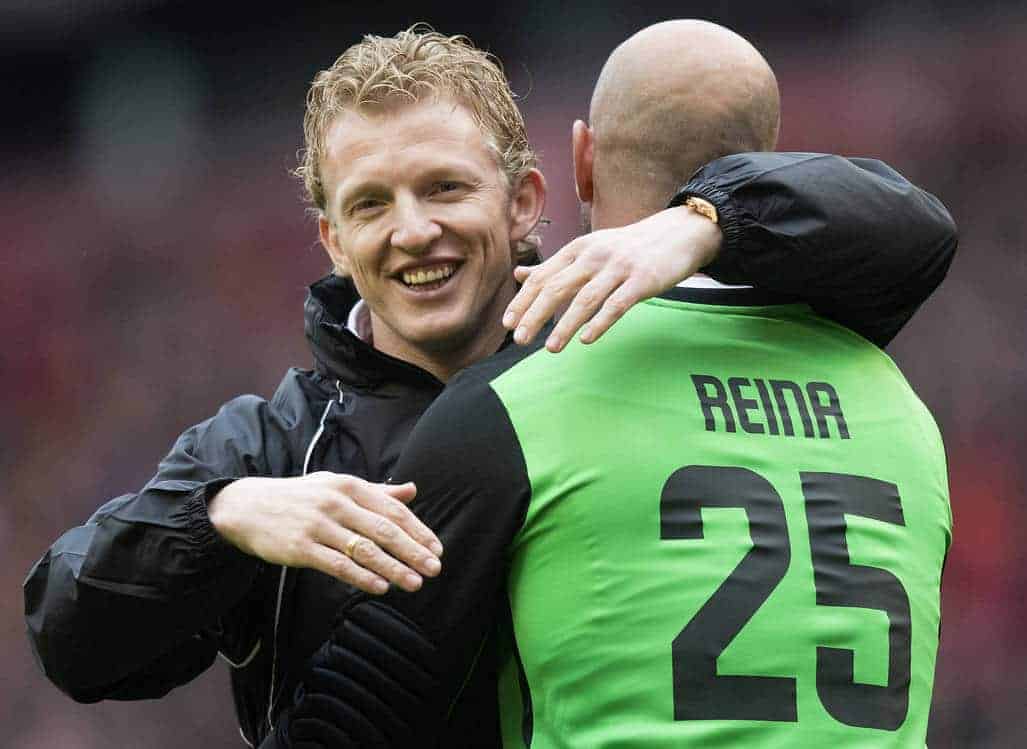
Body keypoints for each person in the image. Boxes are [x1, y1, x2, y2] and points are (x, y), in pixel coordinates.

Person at [23, 26, 955, 748]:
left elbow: (908, 229)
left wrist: (702, 224)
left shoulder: (630, 361)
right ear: (331, 241)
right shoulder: (277, 448)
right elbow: (70, 632)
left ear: (526, 202)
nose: (413, 230)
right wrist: (223, 515)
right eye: (370, 205)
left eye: (444, 189)